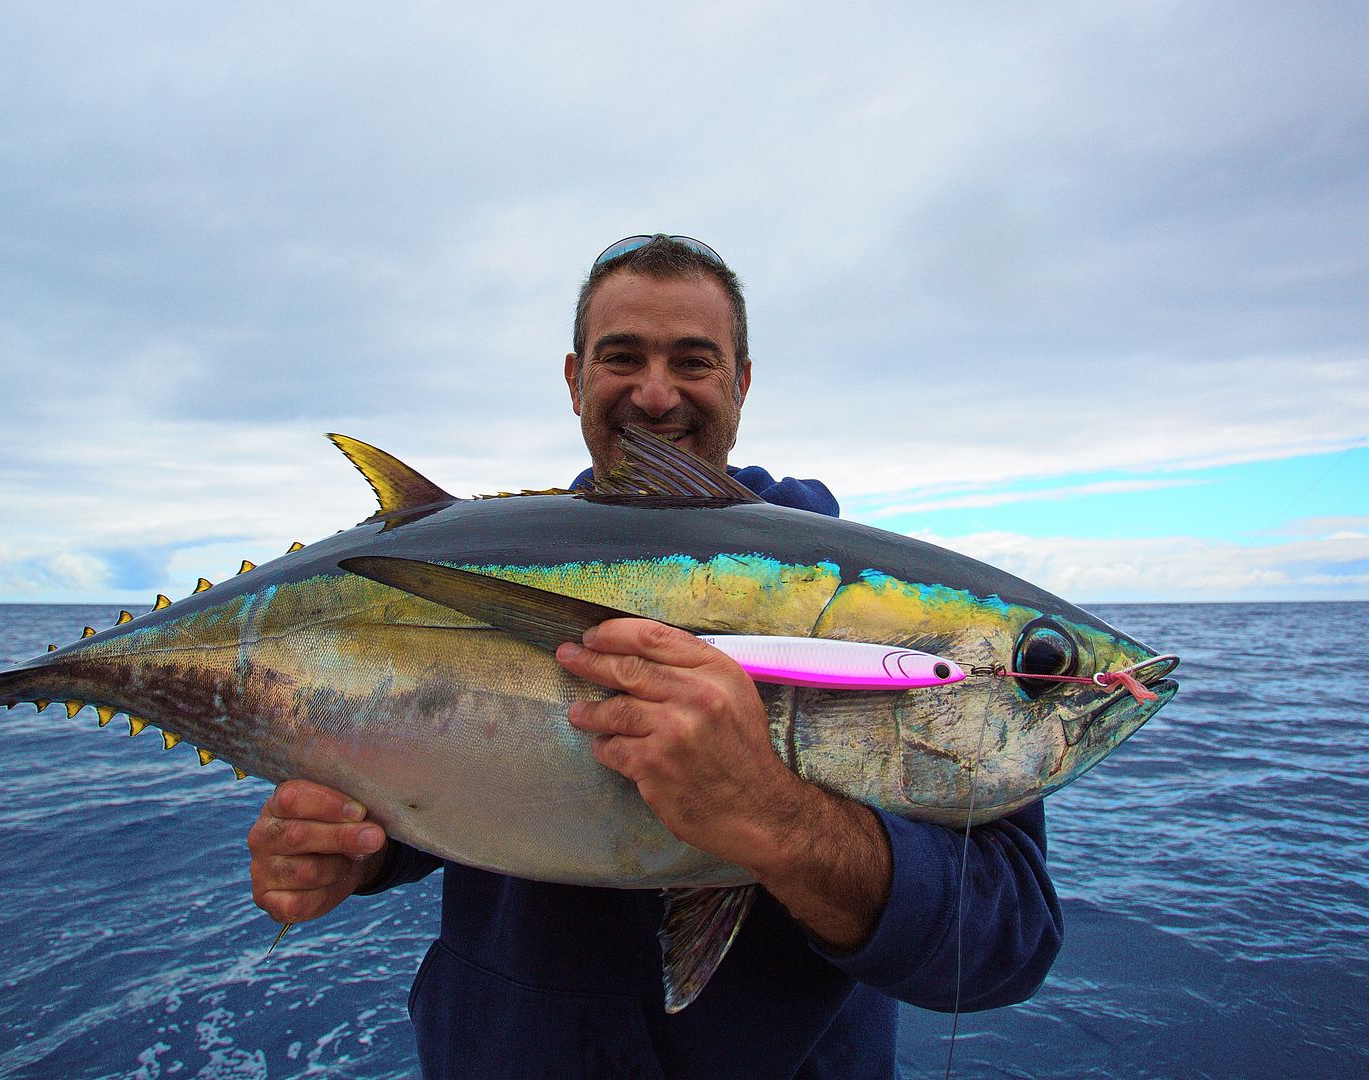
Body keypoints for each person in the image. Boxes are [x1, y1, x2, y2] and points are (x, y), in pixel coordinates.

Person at [247, 235, 1062, 1078]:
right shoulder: (484, 554)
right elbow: (458, 765)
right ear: (574, 380)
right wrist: (363, 847)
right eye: (622, 356)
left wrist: (775, 818)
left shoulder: (896, 612)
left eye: (694, 361)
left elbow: (1007, 944)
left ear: (741, 381)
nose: (656, 392)